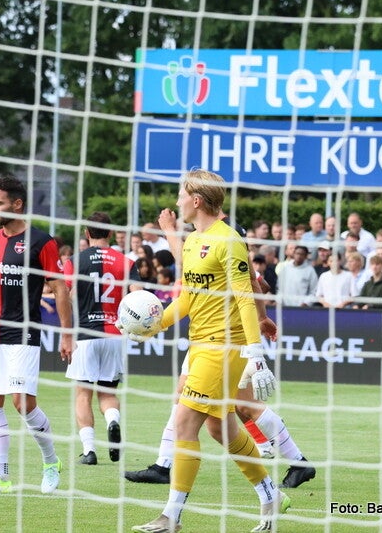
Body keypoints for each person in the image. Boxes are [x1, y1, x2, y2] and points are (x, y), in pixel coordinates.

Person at [129, 169, 289, 533]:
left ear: (197, 200)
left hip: (224, 346)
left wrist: (255, 353)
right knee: (220, 428)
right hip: (200, 344)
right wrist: (155, 325)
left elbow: (245, 298)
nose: (178, 202)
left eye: (182, 195)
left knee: (185, 422)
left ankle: (171, 517)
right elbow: (188, 299)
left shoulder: (228, 240)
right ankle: (270, 495)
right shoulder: (192, 241)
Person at [125, 207, 315, 491]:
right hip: (209, 335)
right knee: (209, 408)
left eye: (184, 196)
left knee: (242, 408)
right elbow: (253, 283)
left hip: (225, 338)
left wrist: (169, 230)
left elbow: (252, 284)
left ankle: (294, 464)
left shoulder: (225, 235)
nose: (179, 202)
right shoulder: (212, 235)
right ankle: (164, 464)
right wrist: (262, 317)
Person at [0, 174, 73, 495]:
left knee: (22, 403)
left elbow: (60, 288)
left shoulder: (41, 242)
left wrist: (66, 334)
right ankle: (0, 478)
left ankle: (51, 462)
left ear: (17, 204)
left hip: (24, 333)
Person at [63, 211, 140, 466]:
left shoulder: (75, 261)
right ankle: (112, 420)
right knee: (107, 393)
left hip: (85, 334)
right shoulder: (126, 262)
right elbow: (138, 295)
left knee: (82, 394)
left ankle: (89, 451)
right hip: (114, 334)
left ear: (86, 233)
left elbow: (66, 294)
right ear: (110, 233)